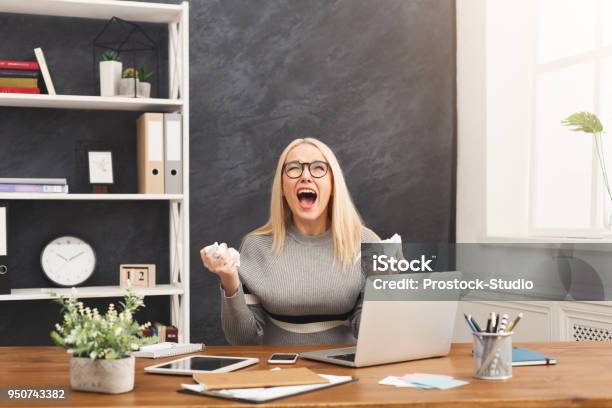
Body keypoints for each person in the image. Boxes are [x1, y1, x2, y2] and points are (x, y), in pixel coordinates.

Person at [201, 138, 379, 345]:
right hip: (277, 372)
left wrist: (388, 285)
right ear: (283, 188)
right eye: (294, 168)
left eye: (318, 168)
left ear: (332, 184)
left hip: (346, 369)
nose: (305, 176)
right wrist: (229, 278)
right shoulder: (256, 246)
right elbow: (243, 339)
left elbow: (372, 333)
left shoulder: (367, 243)